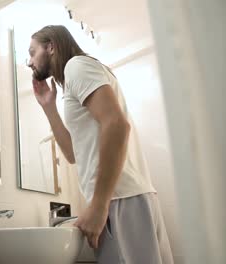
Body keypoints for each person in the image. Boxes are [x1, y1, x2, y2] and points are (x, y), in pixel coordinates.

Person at [28, 25, 173, 263]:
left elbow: (117, 125)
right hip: (125, 197)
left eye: (32, 52)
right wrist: (48, 107)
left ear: (51, 47)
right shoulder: (78, 74)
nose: (29, 61)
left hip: (118, 199)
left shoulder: (76, 66)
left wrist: (98, 204)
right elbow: (73, 154)